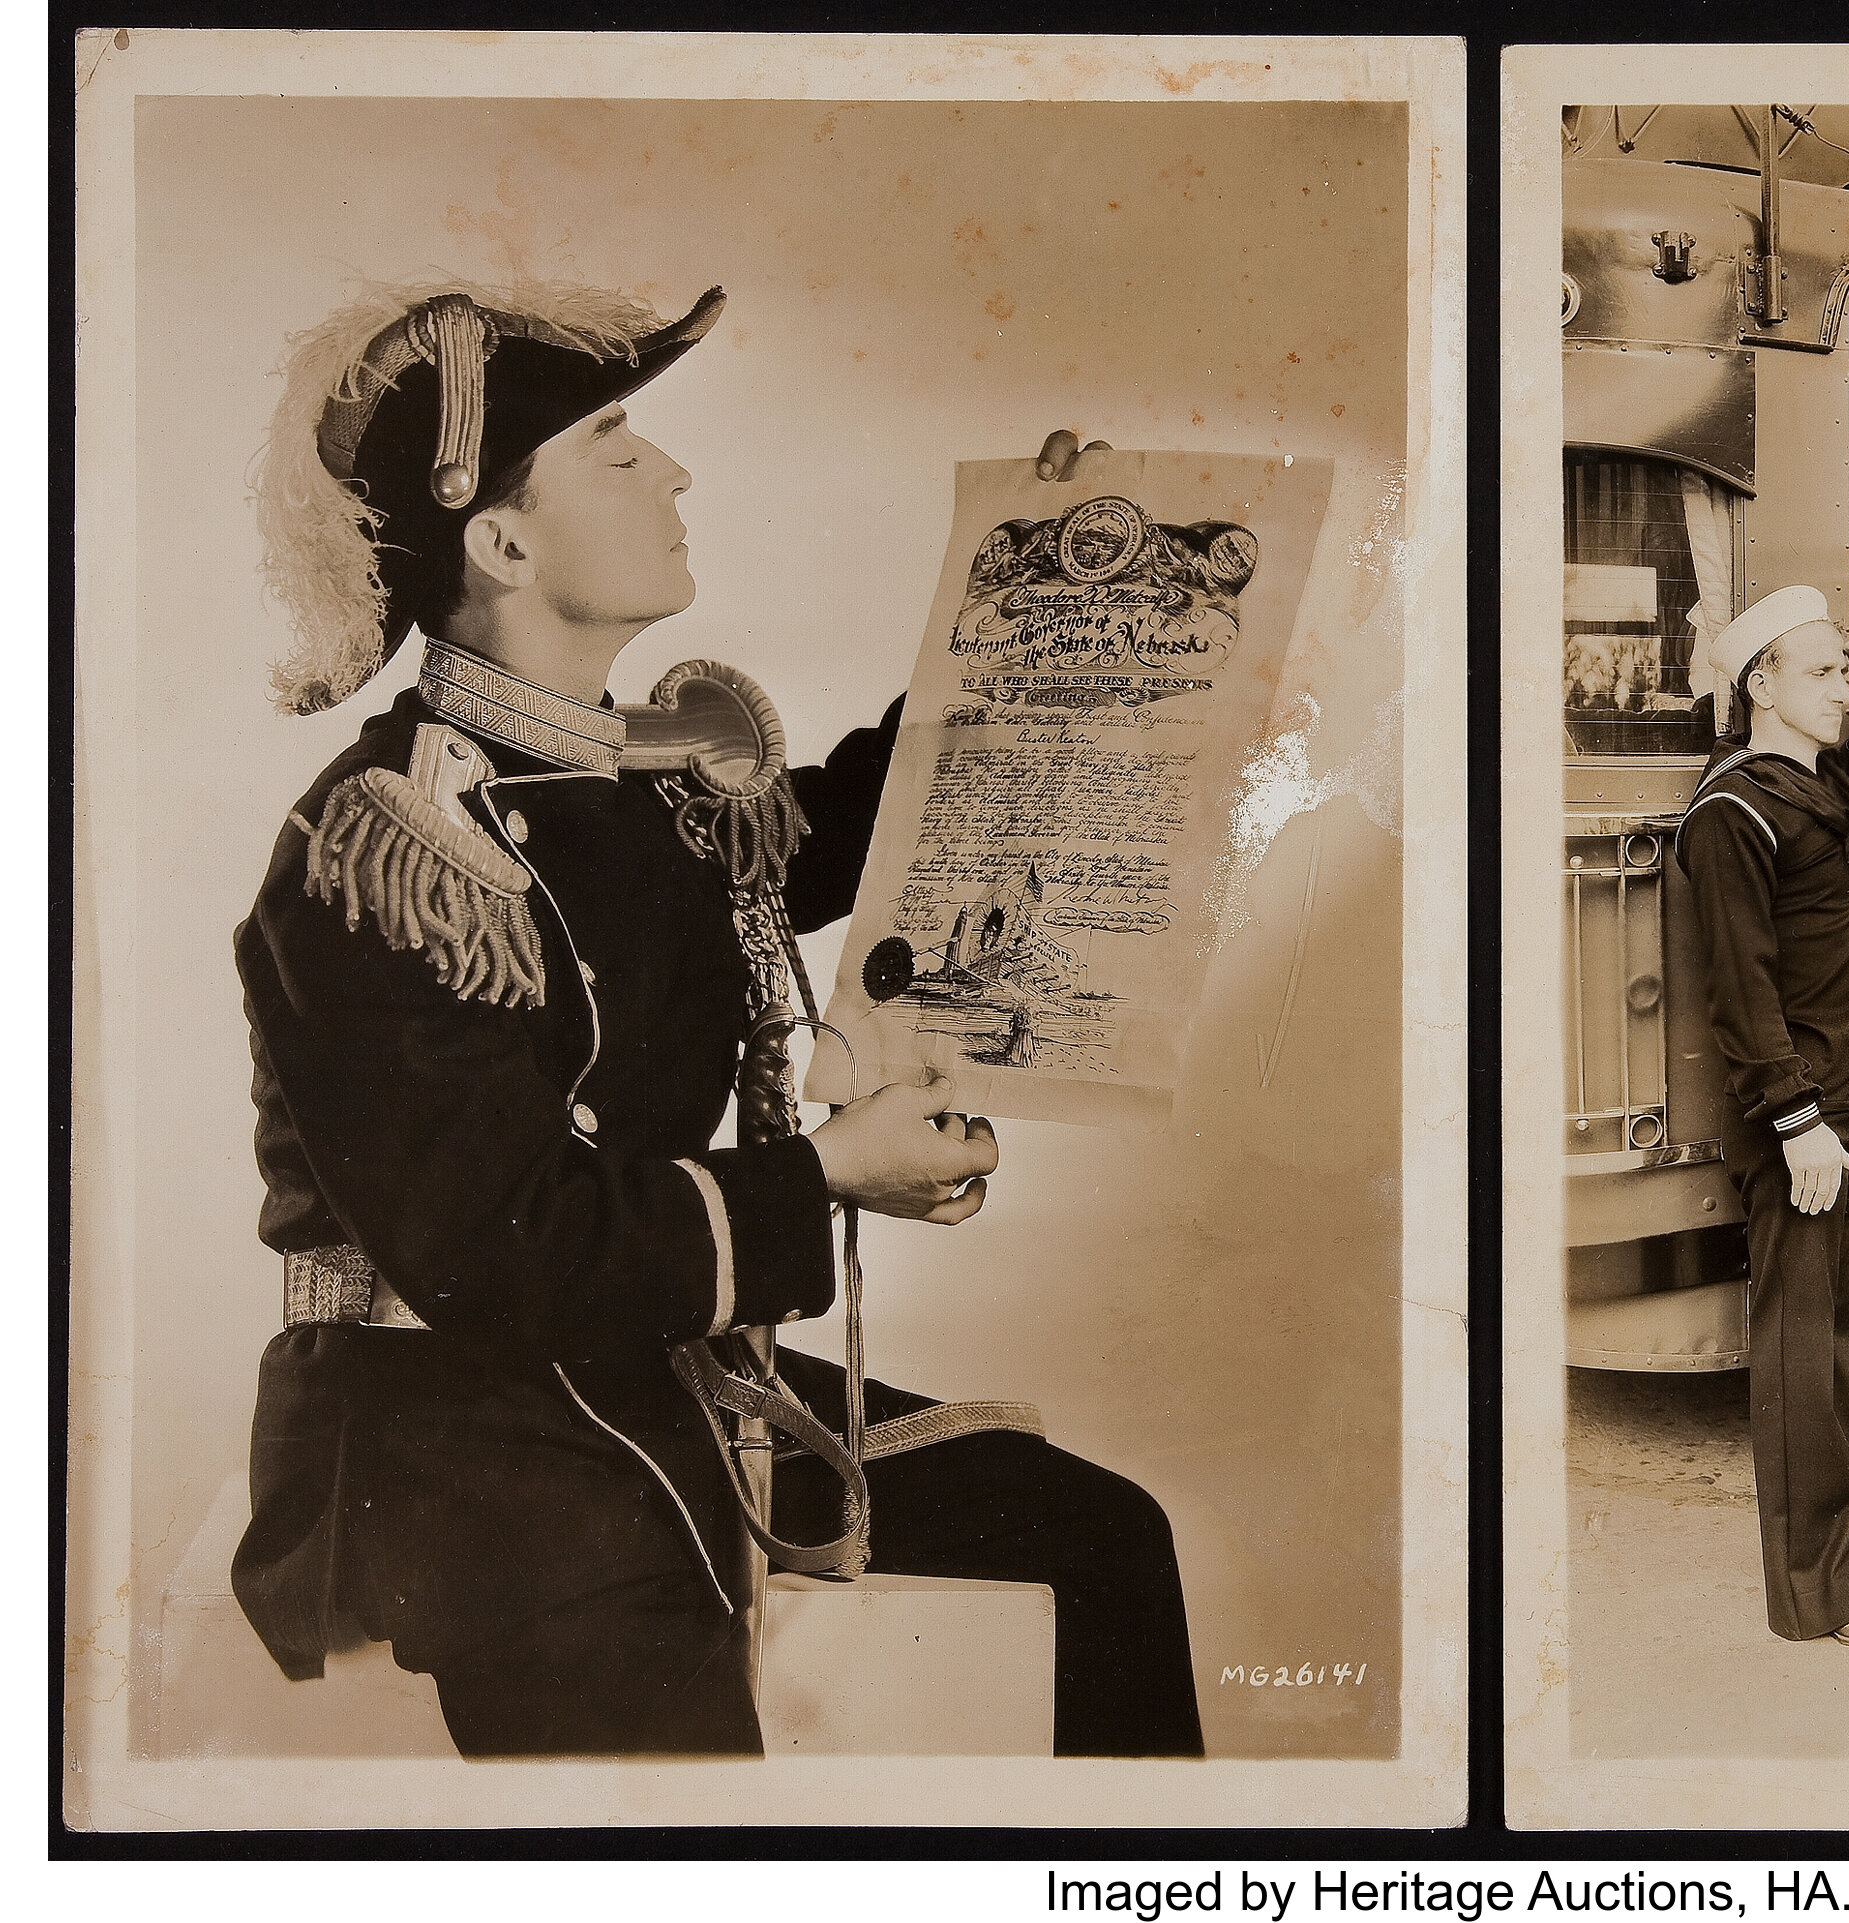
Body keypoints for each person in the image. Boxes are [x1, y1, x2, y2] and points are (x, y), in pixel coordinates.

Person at [230, 279, 1204, 1756]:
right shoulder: (386, 847)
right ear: (501, 537)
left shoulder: (641, 780)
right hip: (454, 1428)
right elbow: (508, 1250)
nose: (672, 472)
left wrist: (1046, 595)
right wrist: (823, 1174)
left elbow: (878, 824)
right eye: (618, 447)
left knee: (1100, 1541)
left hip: (640, 1362)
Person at [1676, 584, 1849, 1648]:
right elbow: (1739, 987)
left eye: (1843, 669)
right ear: (1761, 685)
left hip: (1843, 1093)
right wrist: (1793, 1120)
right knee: (1798, 1349)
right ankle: (1821, 1591)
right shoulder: (1735, 808)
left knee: (1836, 1335)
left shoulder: (1808, 780)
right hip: (1806, 1111)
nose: (1843, 688)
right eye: (1824, 670)